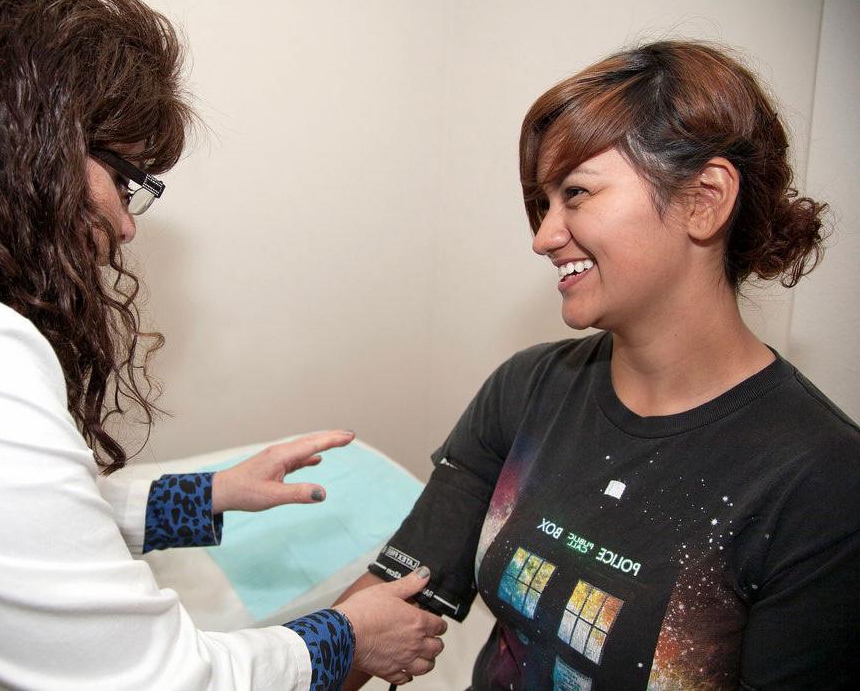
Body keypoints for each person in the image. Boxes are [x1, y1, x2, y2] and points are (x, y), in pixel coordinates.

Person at [0, 0, 446, 689]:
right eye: (123, 180)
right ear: (24, 140)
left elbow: (1, 525)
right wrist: (348, 638)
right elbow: (150, 681)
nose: (126, 226)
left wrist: (206, 495)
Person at [337, 41, 860, 690]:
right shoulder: (527, 391)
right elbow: (393, 598)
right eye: (543, 202)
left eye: (576, 194)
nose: (543, 237)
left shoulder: (823, 482)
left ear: (704, 198)